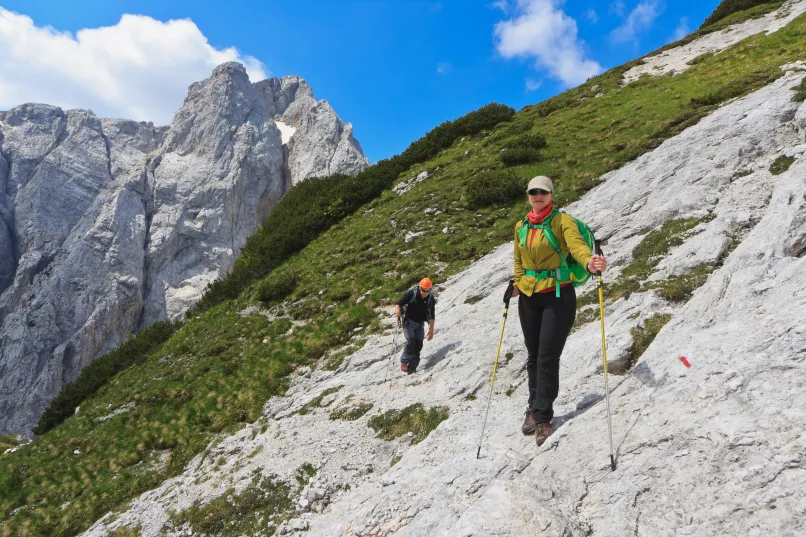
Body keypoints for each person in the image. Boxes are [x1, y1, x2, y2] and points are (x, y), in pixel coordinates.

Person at [511, 176, 607, 446]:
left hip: (558, 295)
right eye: (533, 192)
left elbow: (577, 246)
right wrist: (518, 284)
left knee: (547, 357)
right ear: (528, 196)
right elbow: (518, 260)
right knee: (533, 356)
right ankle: (533, 406)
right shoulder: (521, 226)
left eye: (542, 192)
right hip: (529, 297)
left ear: (551, 195)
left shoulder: (561, 221)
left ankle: (542, 416)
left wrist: (590, 263)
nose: (538, 196)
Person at [394, 278, 436, 375]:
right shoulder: (412, 293)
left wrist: (431, 330)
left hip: (420, 324)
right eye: (424, 290)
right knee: (411, 342)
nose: (425, 293)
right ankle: (404, 361)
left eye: (428, 291)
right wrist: (397, 311)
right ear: (420, 287)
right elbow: (399, 303)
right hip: (408, 322)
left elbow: (432, 315)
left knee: (418, 346)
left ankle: (412, 368)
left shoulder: (430, 298)